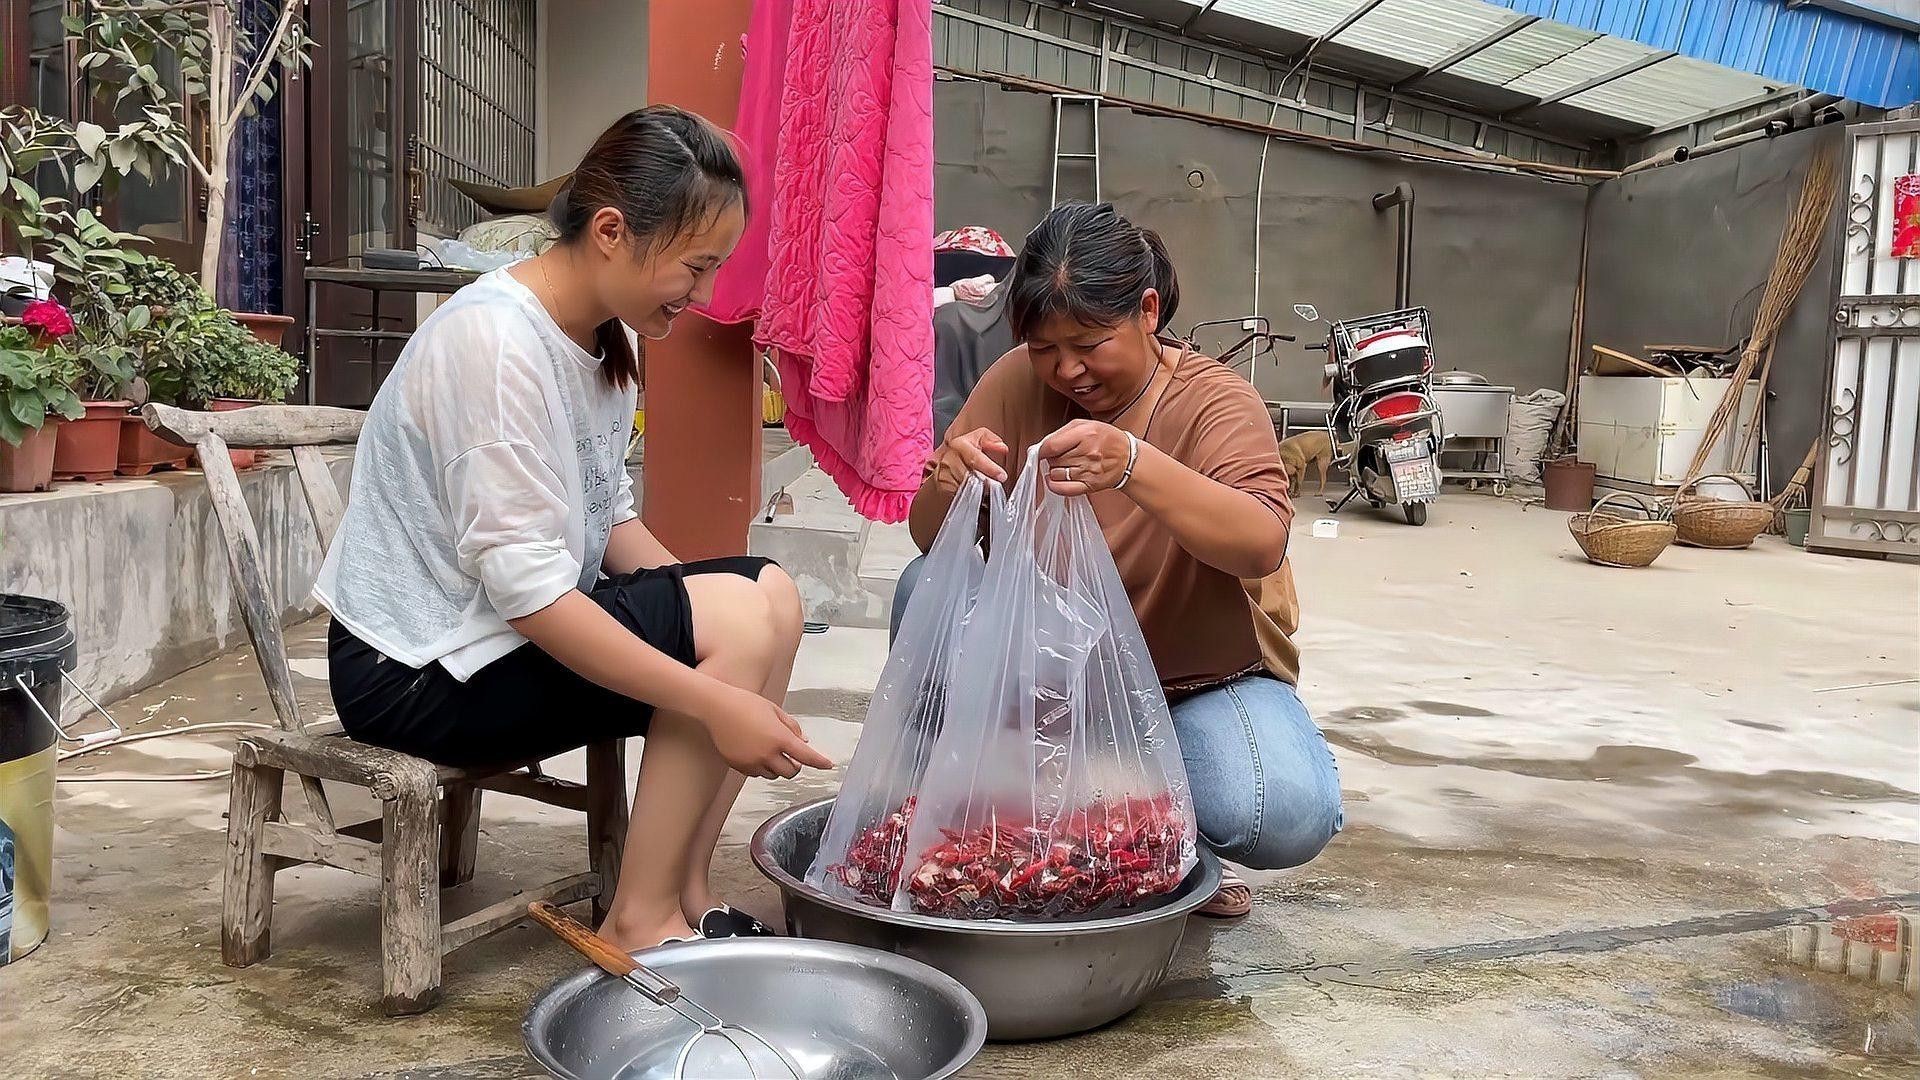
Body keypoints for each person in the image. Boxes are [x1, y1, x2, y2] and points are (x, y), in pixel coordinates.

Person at [317, 106, 832, 952]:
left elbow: (609, 517)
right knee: (733, 627)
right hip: (417, 669)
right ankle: (639, 921)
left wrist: (708, 608)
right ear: (610, 231)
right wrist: (713, 684)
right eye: (696, 268)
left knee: (765, 595)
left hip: (499, 636)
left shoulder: (605, 339)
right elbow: (528, 597)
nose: (702, 298)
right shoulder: (493, 346)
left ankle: (687, 897)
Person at [898, 202, 1342, 918]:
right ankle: (1001, 815)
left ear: (1147, 309)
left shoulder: (1213, 402)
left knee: (1278, 807)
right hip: (1049, 688)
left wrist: (1135, 464)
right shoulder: (1016, 383)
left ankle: (1160, 832)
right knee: (922, 587)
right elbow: (931, 541)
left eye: (1090, 342)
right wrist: (948, 480)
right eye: (1045, 347)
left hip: (1190, 687)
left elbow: (1262, 537)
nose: (1067, 370)